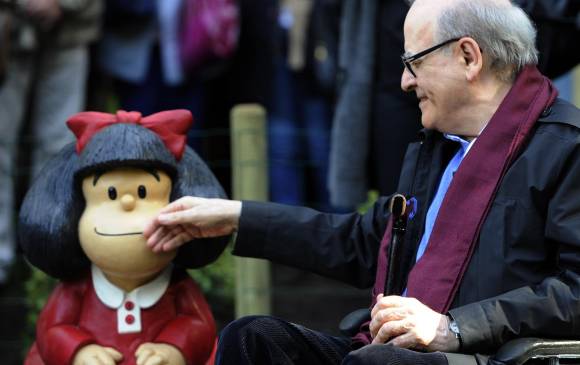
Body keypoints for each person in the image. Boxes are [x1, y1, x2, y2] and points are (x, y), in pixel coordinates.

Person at [144, 0, 580, 364]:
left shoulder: (565, 148)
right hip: (390, 353)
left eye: (414, 62)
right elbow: (366, 243)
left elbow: (575, 291)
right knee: (253, 339)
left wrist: (454, 327)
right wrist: (237, 217)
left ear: (469, 57)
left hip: (487, 355)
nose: (406, 82)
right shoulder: (437, 148)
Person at [19, 110, 229, 364]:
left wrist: (173, 348)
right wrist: (78, 351)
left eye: (143, 192)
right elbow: (51, 329)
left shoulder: (177, 285)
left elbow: (198, 325)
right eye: (110, 193)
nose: (128, 202)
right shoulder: (78, 288)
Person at [0, 0, 102, 284]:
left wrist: (63, 4)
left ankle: (50, 253)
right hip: (8, 28)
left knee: (60, 145)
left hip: (70, 30)